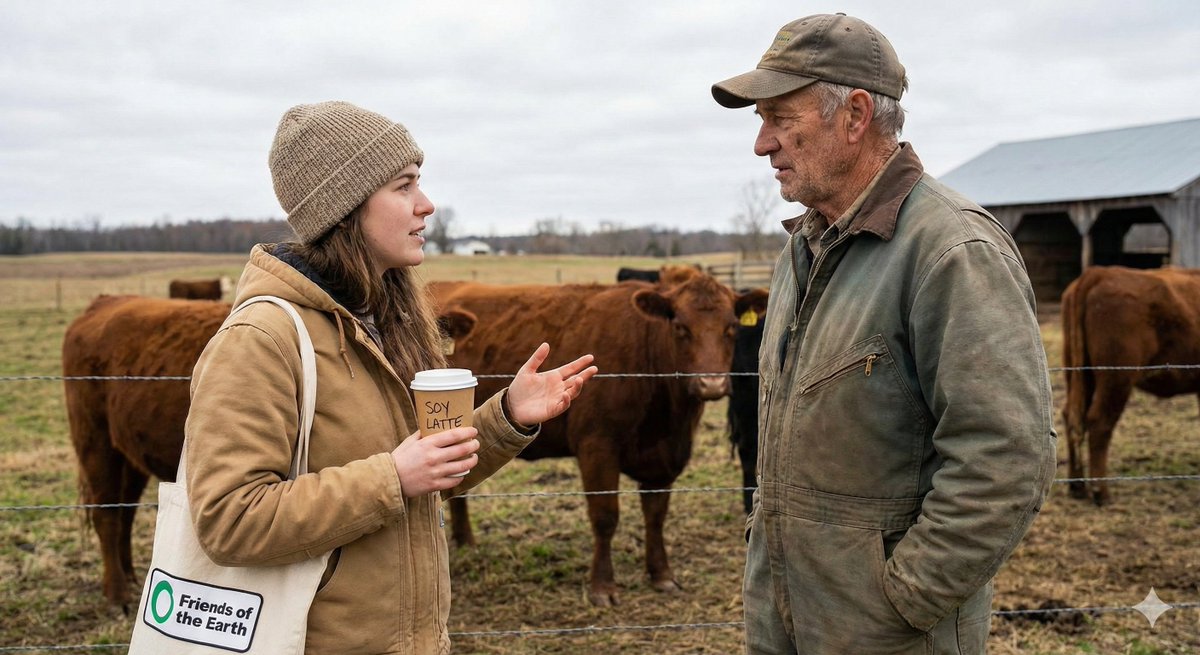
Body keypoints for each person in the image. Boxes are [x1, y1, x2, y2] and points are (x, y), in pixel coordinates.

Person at [183, 101, 598, 654]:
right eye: (403, 186)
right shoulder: (262, 339)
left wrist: (506, 417)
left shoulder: (386, 320)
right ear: (345, 206)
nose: (426, 205)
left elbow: (425, 472)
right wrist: (391, 479)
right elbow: (227, 519)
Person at [711, 14, 1056, 655]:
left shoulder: (953, 250)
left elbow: (1006, 459)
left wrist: (902, 600)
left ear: (856, 114)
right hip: (785, 618)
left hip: (885, 633)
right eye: (761, 121)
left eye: (781, 118)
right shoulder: (803, 249)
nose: (762, 143)